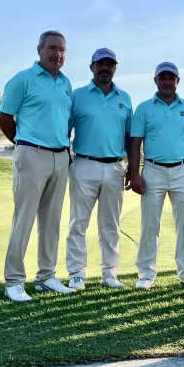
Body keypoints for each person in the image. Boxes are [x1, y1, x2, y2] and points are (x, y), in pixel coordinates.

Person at [0, 30, 74, 302]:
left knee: (51, 221)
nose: (57, 54)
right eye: (52, 48)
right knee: (24, 218)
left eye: (62, 50)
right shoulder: (23, 79)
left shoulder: (66, 83)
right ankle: (13, 281)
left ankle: (46, 277)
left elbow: (63, 120)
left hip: (60, 156)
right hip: (31, 154)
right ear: (39, 49)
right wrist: (23, 143)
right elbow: (4, 117)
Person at [129, 61, 184, 289]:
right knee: (150, 225)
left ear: (177, 81)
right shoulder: (144, 108)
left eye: (171, 78)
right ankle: (146, 274)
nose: (167, 82)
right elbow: (135, 143)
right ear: (155, 80)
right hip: (153, 170)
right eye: (163, 77)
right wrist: (134, 173)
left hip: (182, 170)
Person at [66, 48, 132, 290]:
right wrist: (67, 161)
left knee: (110, 224)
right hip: (84, 164)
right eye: (100, 63)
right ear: (91, 67)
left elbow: (130, 137)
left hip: (115, 167)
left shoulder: (125, 98)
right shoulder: (77, 96)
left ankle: (110, 272)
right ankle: (76, 273)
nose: (105, 68)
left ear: (115, 67)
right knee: (78, 222)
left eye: (109, 64)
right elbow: (65, 131)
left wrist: (132, 168)